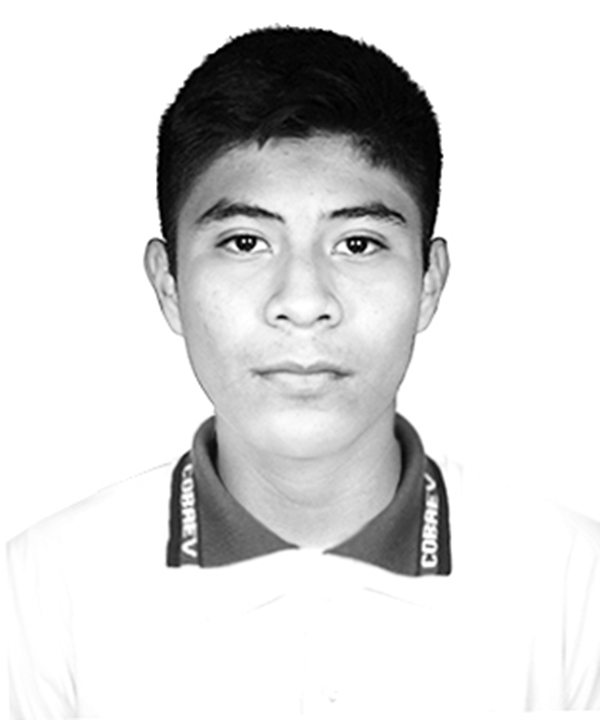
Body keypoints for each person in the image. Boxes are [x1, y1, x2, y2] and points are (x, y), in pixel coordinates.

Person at [8, 25, 600, 718]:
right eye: (245, 241)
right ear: (168, 285)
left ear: (429, 282)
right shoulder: (40, 590)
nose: (303, 300)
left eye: (358, 243)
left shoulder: (573, 584)